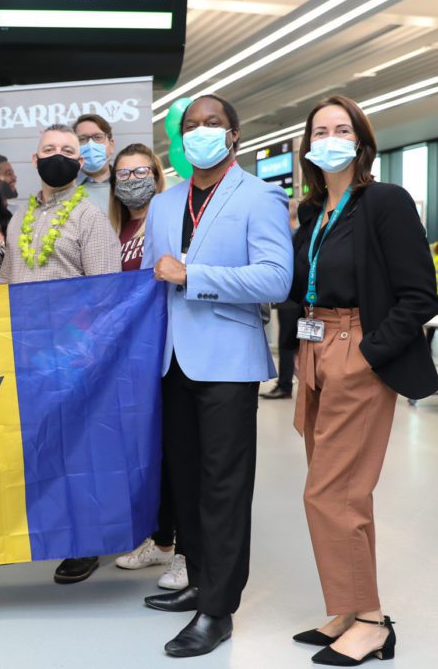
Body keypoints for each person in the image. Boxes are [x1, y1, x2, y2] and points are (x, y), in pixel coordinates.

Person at [286, 95, 438, 666]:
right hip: (312, 347)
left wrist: (367, 354)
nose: (328, 137)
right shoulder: (312, 212)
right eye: (318, 130)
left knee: (331, 491)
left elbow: (420, 295)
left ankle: (372, 621)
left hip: (356, 350)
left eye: (340, 128)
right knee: (341, 492)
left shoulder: (384, 202)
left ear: (361, 141)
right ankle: (350, 607)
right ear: (307, 145)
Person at [141, 94, 292, 658]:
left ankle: (218, 610)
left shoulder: (259, 196)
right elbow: (149, 281)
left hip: (228, 360)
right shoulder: (163, 204)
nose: (202, 132)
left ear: (233, 134)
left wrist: (194, 275)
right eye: (192, 126)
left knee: (224, 485)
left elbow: (276, 279)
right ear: (180, 140)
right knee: (185, 480)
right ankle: (199, 580)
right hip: (171, 359)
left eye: (213, 123)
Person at [0, 123, 121, 585]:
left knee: (80, 450)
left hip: (74, 358)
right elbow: (6, 284)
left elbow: (105, 293)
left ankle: (86, 542)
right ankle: (52, 531)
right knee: (42, 448)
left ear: (80, 161)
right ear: (35, 160)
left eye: (67, 150)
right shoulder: (18, 218)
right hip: (28, 357)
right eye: (49, 149)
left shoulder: (90, 217)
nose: (58, 156)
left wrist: (79, 349)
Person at [104, 143, 187, 586]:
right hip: (126, 359)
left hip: (165, 350)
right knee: (144, 451)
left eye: (141, 171)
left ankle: (185, 549)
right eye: (124, 172)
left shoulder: (171, 220)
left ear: (157, 176)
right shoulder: (110, 229)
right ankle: (161, 539)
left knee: (176, 451)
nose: (132, 179)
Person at [262, 201, 302, 400]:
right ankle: (284, 383)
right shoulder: (281, 233)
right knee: (286, 339)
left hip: (301, 295)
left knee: (291, 341)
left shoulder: (301, 232)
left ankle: (287, 384)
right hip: (288, 295)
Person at [73, 113, 116, 214]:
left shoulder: (127, 183)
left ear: (111, 144)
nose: (91, 145)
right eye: (82, 139)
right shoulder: (64, 190)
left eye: (98, 137)